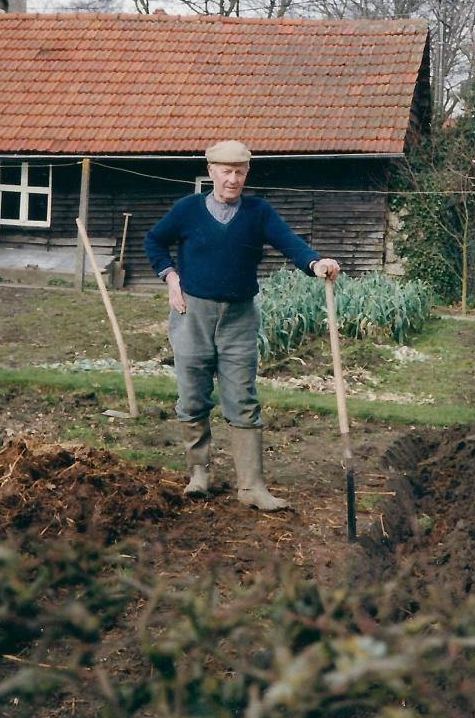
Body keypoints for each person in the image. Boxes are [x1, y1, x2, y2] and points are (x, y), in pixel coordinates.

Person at [144, 140, 340, 511]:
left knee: (242, 400)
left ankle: (251, 487)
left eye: (239, 172)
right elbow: (154, 241)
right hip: (192, 315)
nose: (232, 179)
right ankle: (199, 473)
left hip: (239, 319)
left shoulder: (257, 212)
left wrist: (315, 263)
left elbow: (290, 243)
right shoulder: (187, 210)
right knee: (192, 396)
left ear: (246, 174)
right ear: (211, 172)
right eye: (226, 171)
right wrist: (169, 276)